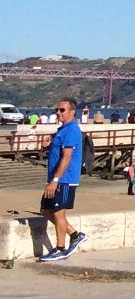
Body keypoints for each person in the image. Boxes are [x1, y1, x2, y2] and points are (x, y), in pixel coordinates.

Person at [38, 99, 88, 262]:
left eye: (62, 110)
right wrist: (46, 147)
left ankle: (61, 249)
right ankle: (75, 234)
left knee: (59, 213)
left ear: (72, 111)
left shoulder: (72, 130)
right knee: (45, 210)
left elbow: (67, 157)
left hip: (64, 179)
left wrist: (56, 180)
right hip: (55, 179)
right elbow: (58, 153)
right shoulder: (61, 130)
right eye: (56, 110)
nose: (58, 113)